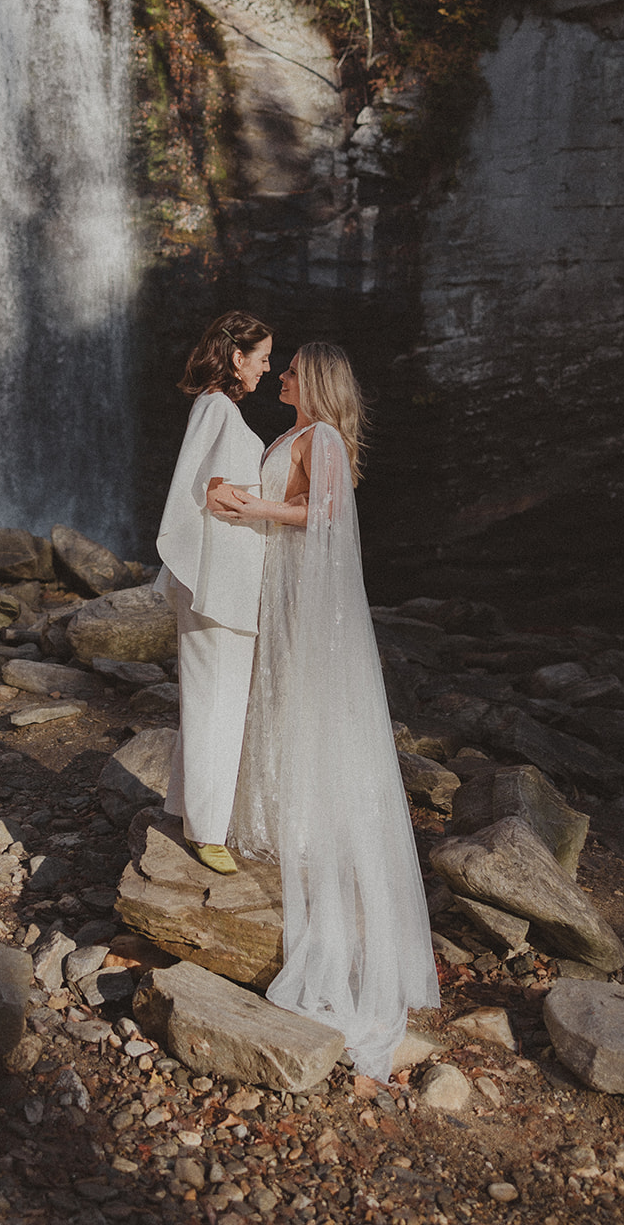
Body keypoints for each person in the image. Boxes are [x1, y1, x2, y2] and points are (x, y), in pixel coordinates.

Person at [211, 341, 439, 1081]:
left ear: (312, 380)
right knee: (276, 698)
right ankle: (280, 820)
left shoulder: (324, 438)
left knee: (304, 701)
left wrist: (254, 507)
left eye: (289, 371)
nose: (278, 376)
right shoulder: (296, 434)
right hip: (279, 578)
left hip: (305, 589)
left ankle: (310, 831)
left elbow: (326, 512)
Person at [155, 310, 273, 875]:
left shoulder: (216, 407)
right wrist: (279, 508)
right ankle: (207, 832)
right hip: (217, 579)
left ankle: (189, 810)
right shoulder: (218, 407)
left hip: (224, 576)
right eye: (263, 358)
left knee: (214, 695)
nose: (267, 369)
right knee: (216, 700)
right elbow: (211, 493)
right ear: (237, 357)